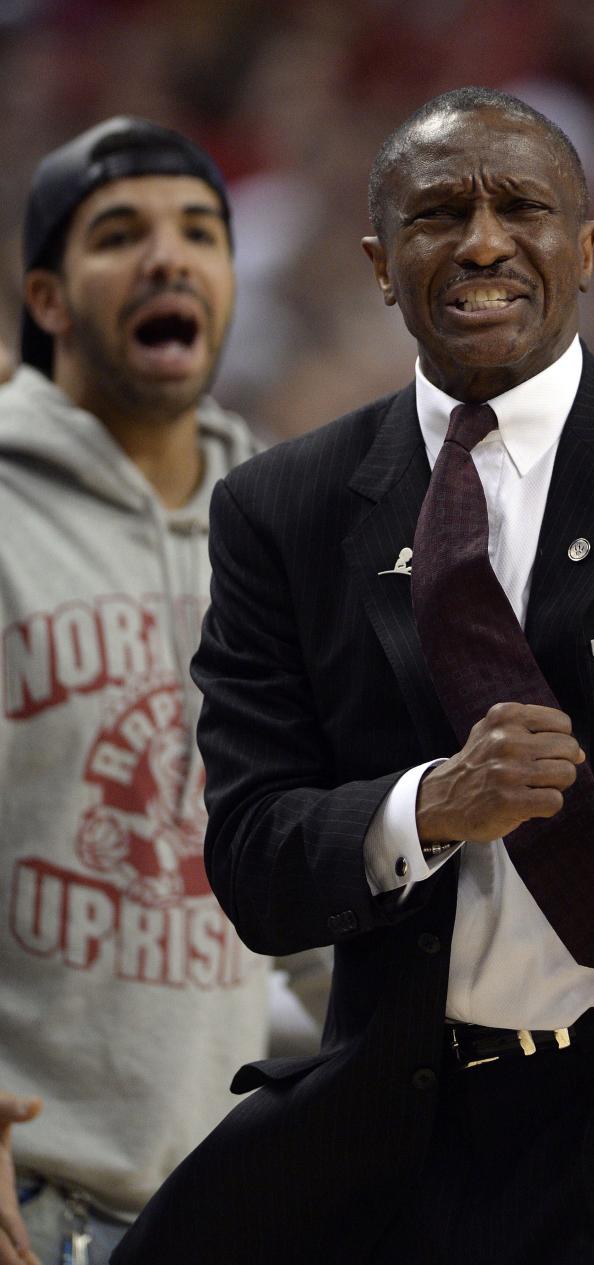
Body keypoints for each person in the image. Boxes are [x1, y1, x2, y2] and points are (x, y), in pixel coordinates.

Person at [112, 88, 594, 1264]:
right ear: (383, 265)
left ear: (584, 250)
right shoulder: (278, 511)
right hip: (410, 1141)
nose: (483, 238)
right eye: (440, 211)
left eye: (520, 206)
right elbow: (253, 860)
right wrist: (427, 807)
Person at [0, 117, 273, 1265]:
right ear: (49, 301)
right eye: (121, 233)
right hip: (28, 1191)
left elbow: (314, 892)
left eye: (200, 231)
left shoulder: (284, 536)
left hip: (224, 1201)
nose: (169, 256)